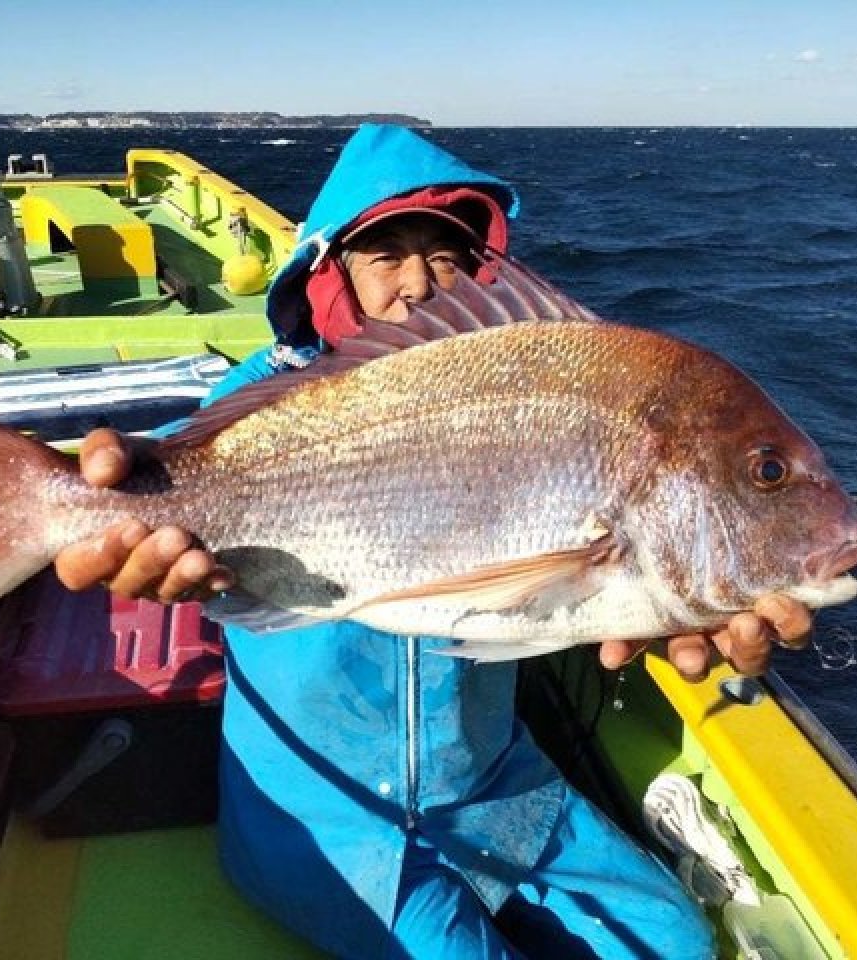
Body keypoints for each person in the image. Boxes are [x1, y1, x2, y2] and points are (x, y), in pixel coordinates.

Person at [55, 125, 813, 959]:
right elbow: (169, 462)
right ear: (331, 272)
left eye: (445, 258)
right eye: (386, 256)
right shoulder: (264, 399)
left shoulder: (520, 389)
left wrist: (677, 601)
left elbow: (585, 561)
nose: (418, 284)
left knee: (680, 943)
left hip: (489, 785)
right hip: (328, 807)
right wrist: (105, 498)